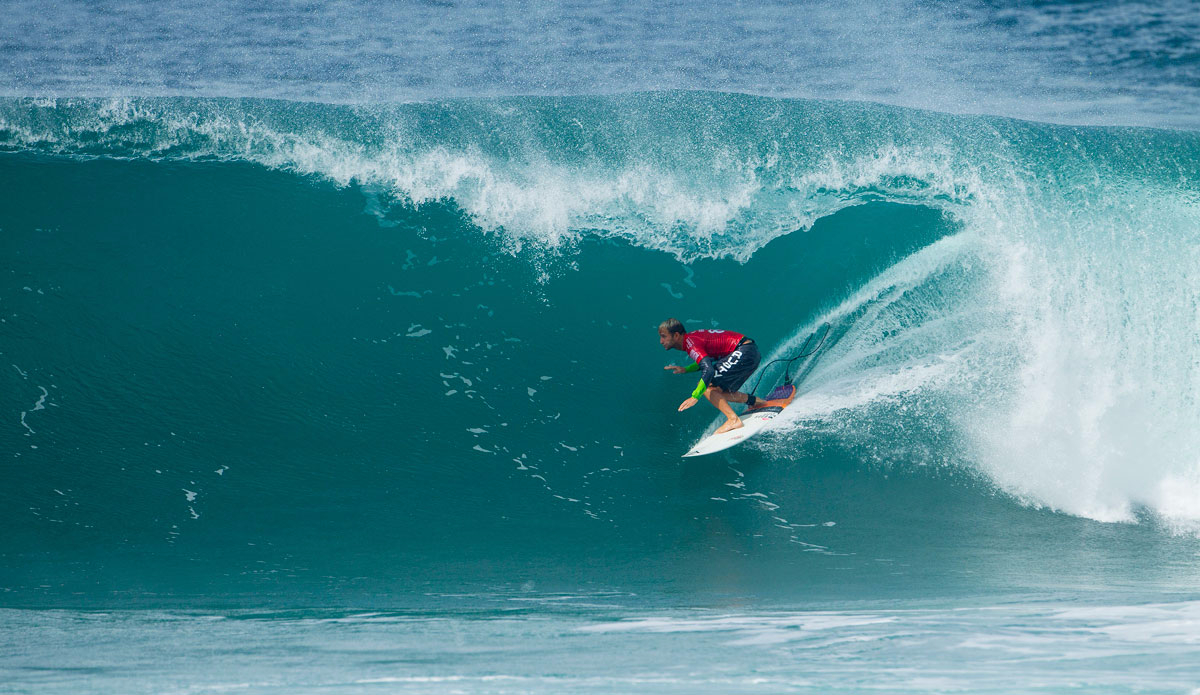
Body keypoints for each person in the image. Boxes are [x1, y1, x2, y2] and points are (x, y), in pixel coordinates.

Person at [658, 318, 761, 434]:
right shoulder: (691, 339)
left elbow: (708, 370)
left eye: (664, 336)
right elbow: (706, 360)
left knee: (707, 388)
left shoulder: (690, 343)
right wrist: (685, 369)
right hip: (748, 351)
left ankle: (733, 420)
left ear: (676, 335)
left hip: (744, 351)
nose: (661, 341)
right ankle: (757, 402)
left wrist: (695, 397)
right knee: (718, 391)